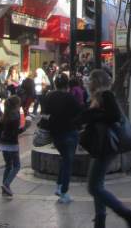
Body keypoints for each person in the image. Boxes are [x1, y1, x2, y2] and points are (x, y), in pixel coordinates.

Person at [82, 69, 131, 228]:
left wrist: (94, 113)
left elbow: (114, 116)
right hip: (102, 145)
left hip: (106, 146)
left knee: (93, 187)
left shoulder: (106, 95)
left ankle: (127, 214)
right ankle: (100, 220)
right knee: (97, 184)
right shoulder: (99, 97)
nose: (88, 82)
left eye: (91, 80)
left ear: (97, 82)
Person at [43, 73, 83, 203]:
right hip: (69, 132)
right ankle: (64, 191)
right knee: (68, 162)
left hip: (55, 133)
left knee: (65, 159)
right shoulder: (70, 98)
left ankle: (59, 186)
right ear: (67, 85)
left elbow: (45, 112)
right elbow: (80, 112)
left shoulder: (49, 96)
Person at [0, 95, 29, 196]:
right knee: (17, 166)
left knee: (8, 166)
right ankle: (6, 184)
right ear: (16, 105)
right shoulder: (16, 116)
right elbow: (15, 132)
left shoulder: (4, 115)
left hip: (4, 144)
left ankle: (5, 188)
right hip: (12, 144)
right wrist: (25, 127)